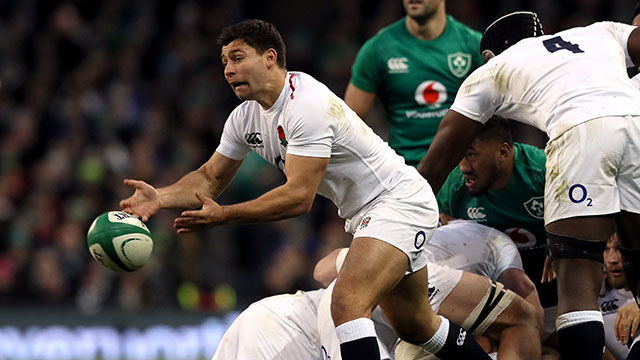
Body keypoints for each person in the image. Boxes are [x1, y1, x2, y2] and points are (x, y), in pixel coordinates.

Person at [119, 19, 490, 359]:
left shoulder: (306, 104)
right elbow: (209, 178)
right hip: (369, 214)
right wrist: (161, 197)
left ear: (270, 57)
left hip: (398, 201)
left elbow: (299, 198)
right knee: (416, 325)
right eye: (224, 62)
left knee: (346, 304)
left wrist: (225, 216)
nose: (228, 69)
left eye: (237, 57)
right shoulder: (244, 118)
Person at [418, 11, 640, 359]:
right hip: (637, 119)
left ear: (490, 55)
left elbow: (440, 155)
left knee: (577, 278)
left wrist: (402, 207)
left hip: (580, 131)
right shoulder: (598, 32)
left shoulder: (492, 70)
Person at [315, 220, 542, 359]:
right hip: (409, 288)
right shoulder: (493, 240)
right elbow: (528, 308)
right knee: (523, 318)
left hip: (342, 312)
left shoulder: (411, 228)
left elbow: (322, 271)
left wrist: (366, 262)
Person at [436, 116, 559, 350]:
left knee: (566, 345)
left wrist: (562, 240)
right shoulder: (455, 186)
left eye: (471, 154)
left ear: (503, 152)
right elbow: (445, 232)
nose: (463, 167)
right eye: (460, 154)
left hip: (556, 281)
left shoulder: (544, 172)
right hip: (496, 292)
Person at [344, 0, 483, 167]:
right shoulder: (377, 49)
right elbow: (348, 127)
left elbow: (497, 121)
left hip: (460, 174)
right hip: (403, 175)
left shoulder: (473, 46)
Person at [600, 234, 640, 359]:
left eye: (619, 249)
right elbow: (555, 342)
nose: (612, 259)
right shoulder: (593, 304)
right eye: (606, 249)